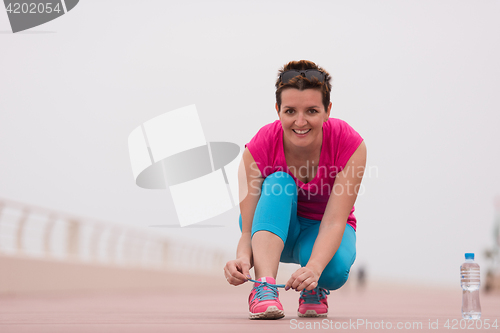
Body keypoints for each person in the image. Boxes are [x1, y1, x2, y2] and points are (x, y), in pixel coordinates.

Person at [223, 60, 366, 319]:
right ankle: (264, 288)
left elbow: (335, 221)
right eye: (290, 111)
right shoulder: (259, 147)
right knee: (279, 181)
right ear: (278, 110)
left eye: (311, 111)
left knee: (332, 272)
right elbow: (247, 228)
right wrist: (242, 259)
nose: (300, 122)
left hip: (321, 229)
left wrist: (314, 268)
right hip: (274, 230)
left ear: (327, 110)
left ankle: (314, 288)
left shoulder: (349, 143)